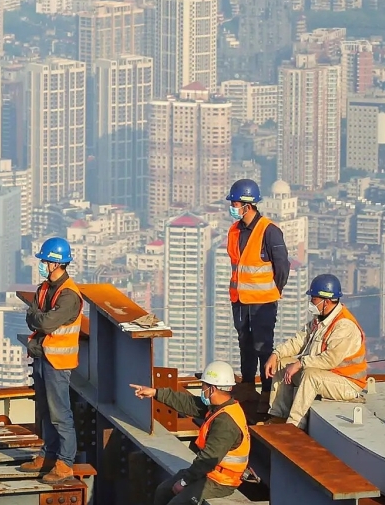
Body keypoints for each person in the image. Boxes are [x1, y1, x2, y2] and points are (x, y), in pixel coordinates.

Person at [129, 361, 253, 505]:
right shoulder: (218, 407)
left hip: (221, 481)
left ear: (212, 389)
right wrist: (155, 393)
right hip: (209, 473)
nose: (202, 389)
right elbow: (187, 403)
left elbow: (208, 458)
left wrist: (184, 481)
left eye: (203, 386)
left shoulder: (225, 422)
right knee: (163, 491)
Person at [18, 237, 83, 485]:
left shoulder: (69, 296)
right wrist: (38, 317)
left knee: (60, 414)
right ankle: (48, 456)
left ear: (56, 263)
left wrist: (39, 317)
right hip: (42, 356)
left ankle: (65, 463)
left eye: (44, 260)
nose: (42, 265)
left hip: (58, 362)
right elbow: (32, 315)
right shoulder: (44, 288)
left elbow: (42, 322)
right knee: (45, 411)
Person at [263, 275, 367, 428]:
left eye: (314, 298)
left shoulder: (344, 325)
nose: (311, 302)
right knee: (282, 365)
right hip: (326, 375)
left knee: (310, 375)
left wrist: (300, 363)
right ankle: (278, 416)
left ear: (326, 300)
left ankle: (294, 425)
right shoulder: (321, 319)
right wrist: (276, 354)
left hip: (347, 383)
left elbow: (330, 360)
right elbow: (299, 340)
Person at [226, 179, 290, 414]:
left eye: (235, 203)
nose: (232, 207)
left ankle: (266, 390)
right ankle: (247, 385)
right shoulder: (234, 230)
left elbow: (282, 266)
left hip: (263, 302)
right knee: (244, 343)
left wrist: (276, 290)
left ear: (247, 204)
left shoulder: (269, 231)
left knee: (263, 346)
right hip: (240, 300)